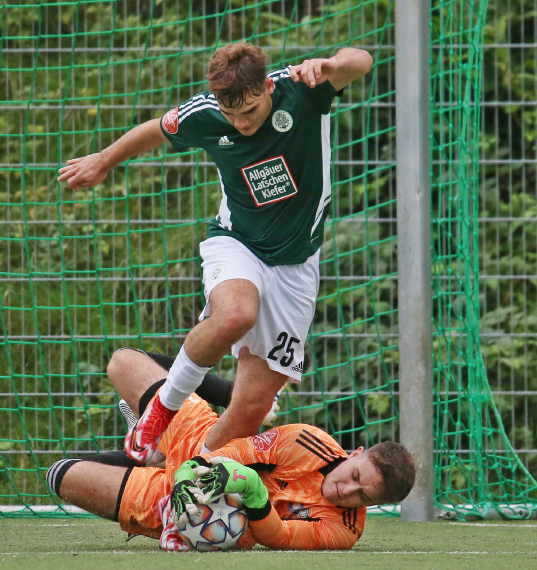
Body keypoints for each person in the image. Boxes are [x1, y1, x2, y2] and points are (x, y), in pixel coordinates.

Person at [57, 42, 374, 463]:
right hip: (237, 241)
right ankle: (158, 414)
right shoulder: (204, 113)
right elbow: (157, 127)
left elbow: (362, 61)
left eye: (251, 112)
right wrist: (104, 160)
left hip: (297, 264)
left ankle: (187, 478)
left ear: (266, 86)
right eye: (232, 115)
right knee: (236, 314)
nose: (242, 124)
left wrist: (331, 63)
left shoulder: (301, 90)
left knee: (252, 407)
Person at [45, 348, 415, 551]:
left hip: (193, 515)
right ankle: (170, 443)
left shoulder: (344, 532)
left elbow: (279, 537)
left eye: (362, 496)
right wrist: (196, 468)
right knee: (123, 360)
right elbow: (237, 449)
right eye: (354, 477)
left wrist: (250, 488)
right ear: (355, 454)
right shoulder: (307, 440)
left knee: (60, 474)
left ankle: (153, 460)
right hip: (202, 444)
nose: (346, 491)